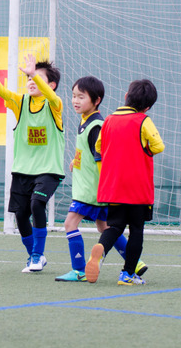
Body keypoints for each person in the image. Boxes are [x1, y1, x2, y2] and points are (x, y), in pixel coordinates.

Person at [55, 76, 147, 282]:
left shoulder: (96, 125)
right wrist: (76, 160)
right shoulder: (86, 121)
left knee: (70, 223)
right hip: (95, 188)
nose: (75, 101)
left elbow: (103, 157)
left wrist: (107, 185)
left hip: (92, 189)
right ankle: (135, 262)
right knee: (104, 227)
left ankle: (79, 270)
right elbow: (89, 152)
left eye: (81, 97)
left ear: (96, 100)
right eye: (73, 96)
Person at [0, 53, 65, 272]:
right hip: (22, 171)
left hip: (48, 171)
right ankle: (35, 255)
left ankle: (36, 255)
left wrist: (34, 73)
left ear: (51, 84)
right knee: (21, 215)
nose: (31, 81)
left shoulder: (54, 106)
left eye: (37, 78)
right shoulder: (20, 103)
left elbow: (54, 98)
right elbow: (1, 90)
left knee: (36, 204)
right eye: (29, 78)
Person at [85, 79, 164, 285]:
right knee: (136, 229)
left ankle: (101, 250)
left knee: (115, 226)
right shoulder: (143, 120)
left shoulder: (109, 120)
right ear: (147, 106)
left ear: (126, 96)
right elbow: (158, 146)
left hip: (113, 186)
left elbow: (99, 148)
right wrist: (143, 149)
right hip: (138, 186)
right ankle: (127, 274)